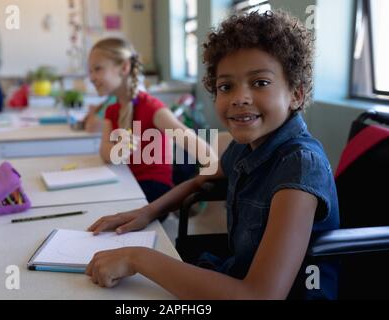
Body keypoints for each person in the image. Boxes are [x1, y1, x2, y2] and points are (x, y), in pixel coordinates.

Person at [84, 11, 340, 300]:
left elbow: (260, 296)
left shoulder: (299, 166)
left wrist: (137, 258)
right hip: (233, 273)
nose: (238, 97)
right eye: (225, 86)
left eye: (260, 83)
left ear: (296, 93)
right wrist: (147, 211)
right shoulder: (247, 146)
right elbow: (200, 180)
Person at [88, 37, 217, 205]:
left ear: (124, 67)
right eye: (90, 71)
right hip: (128, 183)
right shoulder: (112, 110)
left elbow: (197, 145)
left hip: (154, 192)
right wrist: (116, 150)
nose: (91, 77)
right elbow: (104, 153)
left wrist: (216, 180)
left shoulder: (152, 107)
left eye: (97, 69)